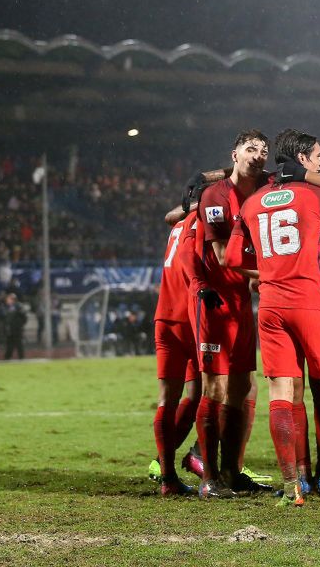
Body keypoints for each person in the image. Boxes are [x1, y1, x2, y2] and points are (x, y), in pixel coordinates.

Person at [229, 129, 320, 504]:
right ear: (303, 159)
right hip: (309, 299)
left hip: (271, 305)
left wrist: (267, 273)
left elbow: (231, 259)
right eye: (319, 155)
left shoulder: (254, 202)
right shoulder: (316, 194)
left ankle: (292, 485)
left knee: (282, 394)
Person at [190, 130, 269, 498]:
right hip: (216, 302)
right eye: (250, 148)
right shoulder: (216, 196)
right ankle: (208, 479)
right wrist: (271, 272)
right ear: (234, 153)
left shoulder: (264, 189)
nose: (258, 154)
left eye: (263, 150)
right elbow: (223, 257)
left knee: (241, 386)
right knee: (216, 388)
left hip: (241, 302)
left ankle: (231, 472)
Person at [149, 194, 202, 495]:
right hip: (190, 319)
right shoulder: (198, 221)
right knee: (212, 393)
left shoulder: (179, 222)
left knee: (176, 398)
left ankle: (167, 472)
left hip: (165, 316)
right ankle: (204, 462)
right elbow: (190, 260)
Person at [2, 292, 27, 360]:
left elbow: (24, 317)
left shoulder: (19, 306)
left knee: (19, 344)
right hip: (10, 329)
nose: (7, 301)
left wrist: (19, 325)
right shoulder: (6, 307)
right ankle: (7, 357)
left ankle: (21, 357)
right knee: (9, 344)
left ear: (13, 300)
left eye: (9, 299)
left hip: (17, 329)